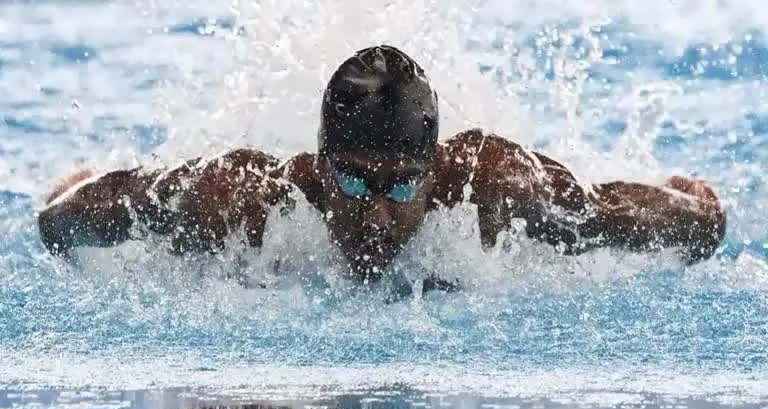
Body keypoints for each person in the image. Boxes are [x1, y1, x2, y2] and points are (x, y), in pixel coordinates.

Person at [38, 45, 725, 283]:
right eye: (350, 179)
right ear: (319, 161)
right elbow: (72, 217)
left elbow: (616, 212)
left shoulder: (496, 187)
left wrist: (698, 211)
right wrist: (66, 198)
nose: (373, 211)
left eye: (400, 185)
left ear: (432, 171)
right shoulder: (244, 198)